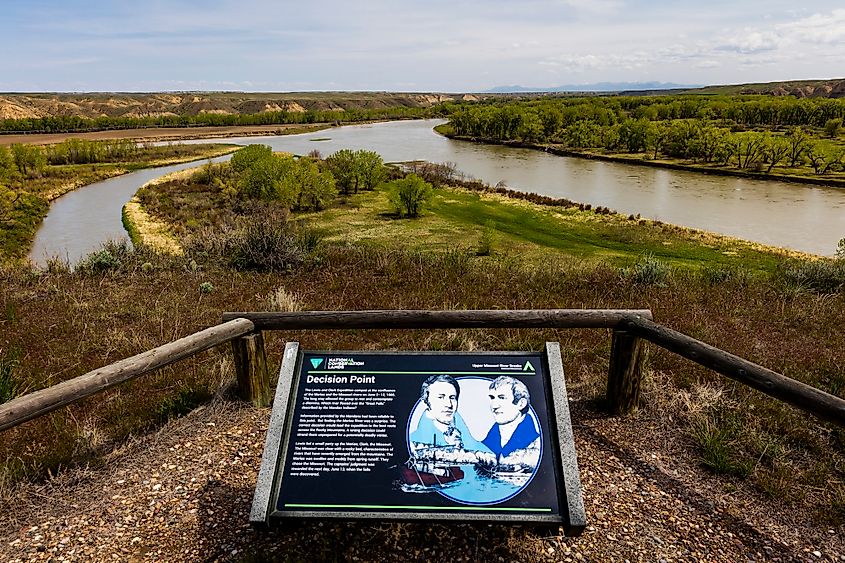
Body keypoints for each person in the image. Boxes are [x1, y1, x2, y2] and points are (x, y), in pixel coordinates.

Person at [410, 375, 487, 451]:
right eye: (440, 397)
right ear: (425, 401)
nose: (449, 404)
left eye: (452, 398)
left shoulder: (464, 433)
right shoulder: (415, 441)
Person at [482, 376, 539, 458]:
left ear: (521, 404)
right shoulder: (487, 442)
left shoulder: (536, 444)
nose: (494, 405)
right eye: (492, 398)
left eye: (502, 398)